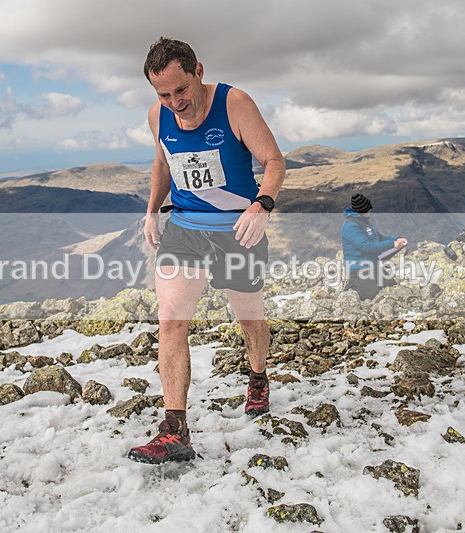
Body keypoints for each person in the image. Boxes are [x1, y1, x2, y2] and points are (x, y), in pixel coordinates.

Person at [128, 37, 285, 464]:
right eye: (163, 94)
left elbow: (274, 161)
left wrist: (262, 205)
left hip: (237, 231)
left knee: (249, 318)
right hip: (185, 230)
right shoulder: (157, 114)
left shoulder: (235, 103)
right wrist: (151, 211)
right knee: (171, 323)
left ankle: (258, 377)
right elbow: (163, 162)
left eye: (181, 90)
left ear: (198, 72)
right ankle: (174, 431)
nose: (174, 102)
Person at [341, 193, 407, 300]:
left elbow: (380, 238)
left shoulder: (365, 222)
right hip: (358, 269)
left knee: (392, 287)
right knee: (372, 295)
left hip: (373, 265)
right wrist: (392, 244)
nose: (370, 210)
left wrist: (396, 239)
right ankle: (352, 285)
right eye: (368, 209)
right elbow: (366, 247)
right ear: (362, 209)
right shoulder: (351, 226)